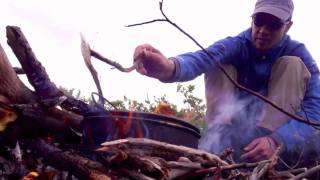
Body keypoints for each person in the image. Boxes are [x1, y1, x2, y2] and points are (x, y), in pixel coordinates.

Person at [133, 0, 320, 166]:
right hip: (231, 134)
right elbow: (202, 58)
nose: (263, 30)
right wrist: (169, 67)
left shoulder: (300, 54)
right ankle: (218, 142)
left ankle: (264, 148)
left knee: (293, 65)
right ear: (252, 19)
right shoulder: (237, 44)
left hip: (277, 141)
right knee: (219, 61)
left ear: (287, 26)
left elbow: (315, 110)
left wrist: (277, 140)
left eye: (273, 24)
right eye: (259, 21)